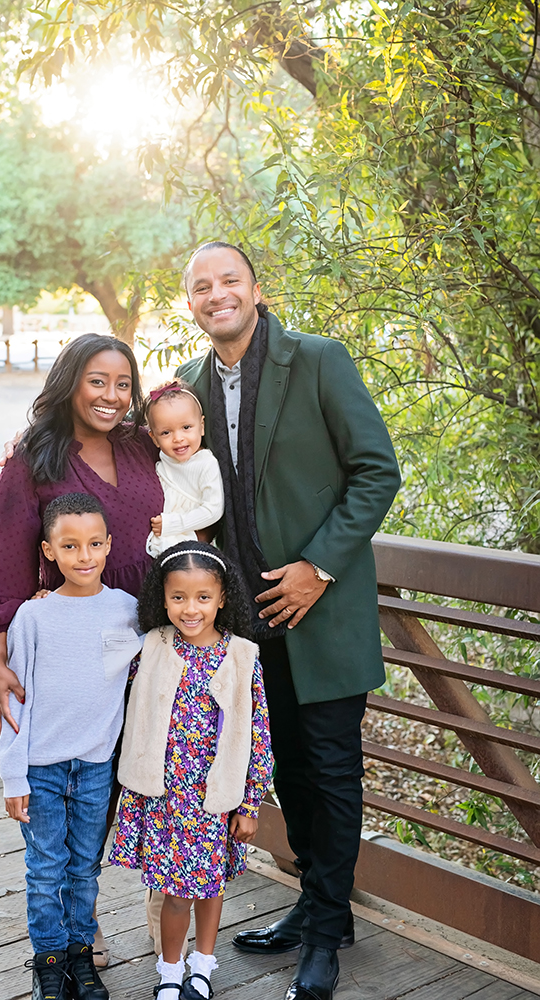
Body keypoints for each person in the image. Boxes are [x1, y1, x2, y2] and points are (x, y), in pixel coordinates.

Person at [175, 242, 401, 1000]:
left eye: (228, 280)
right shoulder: (188, 387)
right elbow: (156, 472)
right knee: (287, 774)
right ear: (191, 304)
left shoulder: (317, 359)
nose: (217, 294)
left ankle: (327, 933)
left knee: (332, 772)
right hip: (244, 625)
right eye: (202, 287)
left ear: (254, 288)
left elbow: (376, 469)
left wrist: (319, 567)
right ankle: (313, 907)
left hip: (322, 610)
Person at [0, 332, 164, 968]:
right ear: (70, 383)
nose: (111, 395)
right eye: (97, 381)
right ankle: (83, 918)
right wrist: (0, 651)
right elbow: (6, 551)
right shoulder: (36, 457)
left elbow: (192, 421)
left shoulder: (143, 444)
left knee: (144, 767)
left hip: (152, 631)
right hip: (75, 642)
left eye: (123, 384)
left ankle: (169, 909)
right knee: (84, 779)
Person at [109, 542, 274, 1000]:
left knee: (209, 883)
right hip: (164, 796)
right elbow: (104, 668)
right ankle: (170, 970)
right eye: (178, 596)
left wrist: (251, 802)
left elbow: (258, 735)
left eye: (203, 597)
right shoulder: (151, 647)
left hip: (215, 798)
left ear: (222, 598)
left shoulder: (242, 657)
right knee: (175, 890)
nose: (190, 608)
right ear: (162, 598)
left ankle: (203, 964)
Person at [0, 492, 143, 1000]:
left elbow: (139, 669)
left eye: (95, 544)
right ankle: (49, 963)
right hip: (40, 767)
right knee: (44, 871)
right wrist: (13, 775)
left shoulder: (128, 611)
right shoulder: (33, 619)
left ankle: (83, 959)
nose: (85, 556)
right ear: (49, 551)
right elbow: (15, 704)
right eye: (70, 545)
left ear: (109, 546)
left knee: (84, 867)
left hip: (96, 765)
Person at [145, 380, 224, 557]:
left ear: (201, 426)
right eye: (166, 432)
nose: (178, 438)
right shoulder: (162, 460)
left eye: (186, 427)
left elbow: (214, 509)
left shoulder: (205, 464)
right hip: (160, 536)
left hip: (188, 538)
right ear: (154, 438)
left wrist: (173, 524)